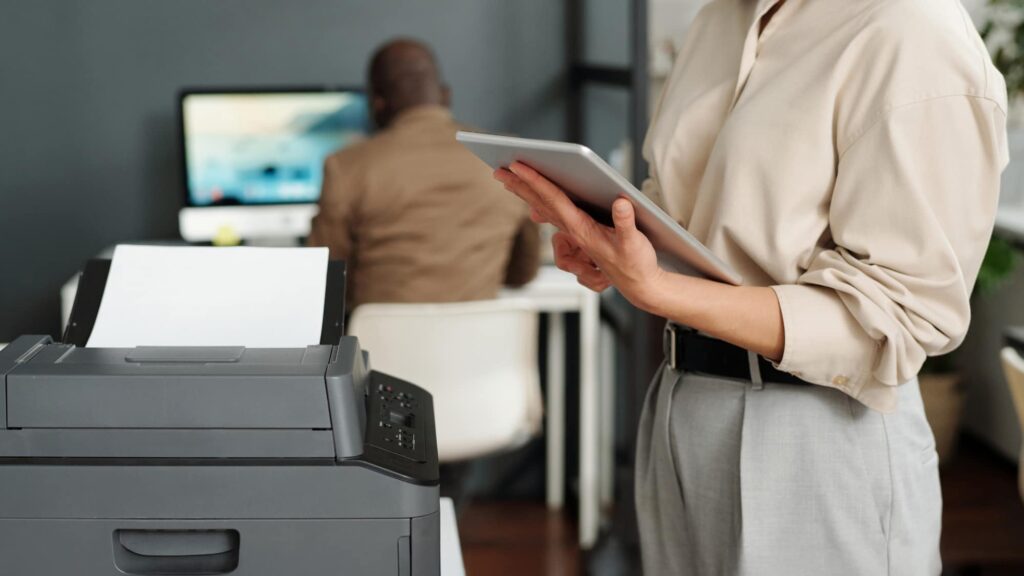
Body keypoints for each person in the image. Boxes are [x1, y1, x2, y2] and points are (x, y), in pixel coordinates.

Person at [496, 1, 1007, 574]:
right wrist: (612, 243)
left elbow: (902, 315)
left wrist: (659, 289)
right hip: (682, 405)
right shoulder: (720, 18)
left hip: (818, 432)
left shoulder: (911, 29)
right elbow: (689, 212)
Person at [309, 38, 539, 309]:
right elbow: (523, 272)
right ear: (445, 95)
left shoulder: (345, 166)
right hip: (478, 347)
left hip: (382, 348)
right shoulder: (507, 160)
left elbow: (327, 281)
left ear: (377, 104)